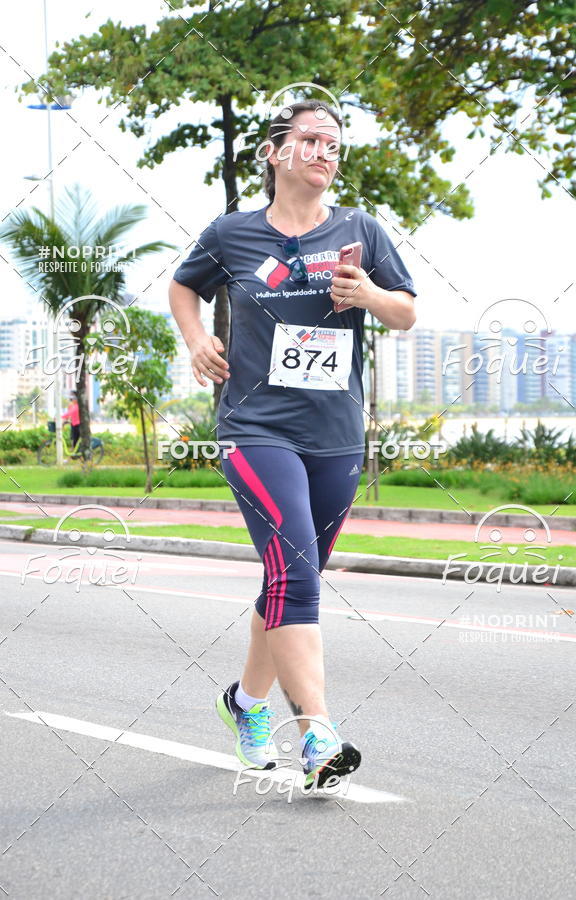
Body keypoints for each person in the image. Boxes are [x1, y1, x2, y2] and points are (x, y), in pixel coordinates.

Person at [168, 99, 417, 790]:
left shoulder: (360, 230)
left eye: (333, 144)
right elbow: (183, 287)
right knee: (297, 576)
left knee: (289, 579)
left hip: (335, 435)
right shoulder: (233, 233)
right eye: (309, 140)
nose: (323, 153)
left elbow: (406, 312)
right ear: (275, 152)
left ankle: (244, 703)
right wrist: (197, 341)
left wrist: (368, 292)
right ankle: (317, 736)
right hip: (254, 428)